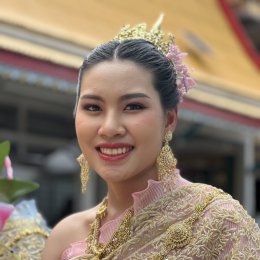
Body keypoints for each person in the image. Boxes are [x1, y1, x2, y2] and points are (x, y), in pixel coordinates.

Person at [42, 17, 260, 260]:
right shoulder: (65, 238)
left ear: (169, 119)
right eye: (93, 108)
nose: (109, 128)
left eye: (133, 106)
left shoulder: (218, 221)